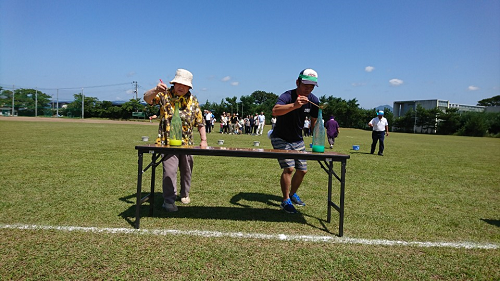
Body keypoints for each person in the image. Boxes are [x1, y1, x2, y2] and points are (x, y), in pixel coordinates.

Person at [143, 69, 207, 212]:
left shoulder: (193, 101)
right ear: (174, 83)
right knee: (169, 171)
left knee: (186, 170)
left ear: (189, 87)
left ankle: (185, 193)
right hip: (167, 143)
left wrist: (203, 140)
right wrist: (155, 89)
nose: (181, 87)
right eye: (179, 84)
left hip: (187, 144)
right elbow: (147, 99)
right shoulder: (164, 95)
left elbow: (200, 122)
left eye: (185, 85)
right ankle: (169, 200)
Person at [270, 68, 320, 214]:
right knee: (289, 168)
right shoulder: (288, 95)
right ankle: (285, 200)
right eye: (305, 85)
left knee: (303, 170)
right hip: (280, 137)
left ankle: (292, 195)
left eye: (311, 87)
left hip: (298, 139)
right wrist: (295, 105)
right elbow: (275, 111)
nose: (308, 89)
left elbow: (315, 117)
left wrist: (314, 129)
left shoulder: (313, 100)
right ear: (297, 82)